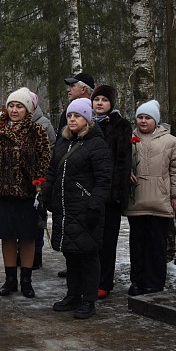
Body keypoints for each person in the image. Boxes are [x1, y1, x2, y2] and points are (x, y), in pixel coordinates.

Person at [42, 98, 111, 319]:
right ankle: (73, 295)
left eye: (78, 116)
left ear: (88, 120)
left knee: (88, 255)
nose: (72, 119)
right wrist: (45, 192)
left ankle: (88, 300)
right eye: (70, 116)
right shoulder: (63, 141)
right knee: (71, 254)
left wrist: (94, 204)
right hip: (65, 208)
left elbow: (103, 179)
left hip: (86, 208)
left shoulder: (97, 144)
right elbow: (52, 170)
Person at [0, 87, 51, 299]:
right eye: (11, 106)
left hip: (27, 192)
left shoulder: (37, 131)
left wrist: (40, 184)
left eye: (19, 106)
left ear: (28, 110)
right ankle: (10, 280)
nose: (15, 110)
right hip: (4, 191)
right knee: (7, 236)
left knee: (28, 236)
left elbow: (45, 160)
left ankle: (26, 280)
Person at [125, 100, 176, 296]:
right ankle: (137, 281)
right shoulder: (128, 138)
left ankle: (154, 282)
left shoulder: (170, 142)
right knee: (137, 245)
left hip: (160, 201)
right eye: (140, 117)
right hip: (136, 201)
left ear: (156, 120)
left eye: (148, 118)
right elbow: (118, 160)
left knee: (156, 245)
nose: (143, 121)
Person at [90, 85, 132, 299]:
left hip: (110, 195)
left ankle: (105, 281)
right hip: (89, 193)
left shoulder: (121, 126)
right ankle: (89, 280)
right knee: (90, 240)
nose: (99, 103)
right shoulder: (86, 123)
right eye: (96, 99)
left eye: (104, 100)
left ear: (111, 104)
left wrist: (117, 193)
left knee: (107, 242)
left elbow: (124, 161)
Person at [54, 72, 95, 278]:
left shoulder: (96, 117)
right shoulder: (66, 118)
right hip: (67, 190)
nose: (68, 89)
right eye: (70, 116)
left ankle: (88, 287)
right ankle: (73, 275)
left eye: (72, 86)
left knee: (88, 243)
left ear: (84, 89)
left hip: (87, 192)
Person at [29, 90, 56, 269]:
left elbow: (51, 148)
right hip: (20, 180)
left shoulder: (43, 123)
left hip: (39, 178)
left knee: (37, 218)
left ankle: (36, 253)